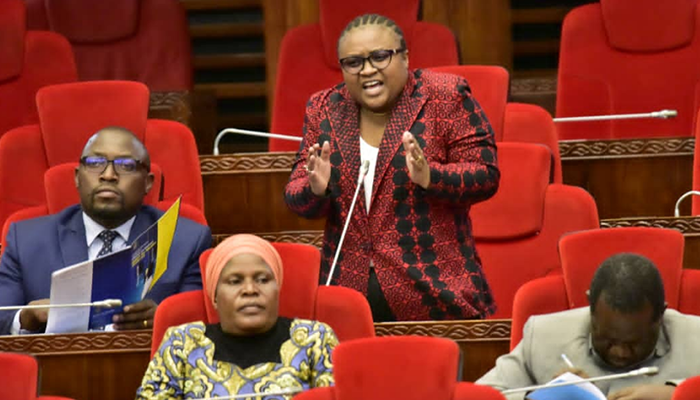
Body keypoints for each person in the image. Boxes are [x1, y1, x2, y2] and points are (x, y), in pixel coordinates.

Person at [284, 14, 500, 322]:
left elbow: (486, 174)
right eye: (353, 62)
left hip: (434, 292)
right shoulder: (324, 107)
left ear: (405, 57)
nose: (367, 70)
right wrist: (315, 189)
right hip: (348, 298)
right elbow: (295, 194)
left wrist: (431, 177)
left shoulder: (445, 95)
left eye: (380, 57)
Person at [0, 126, 212, 335]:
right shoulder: (26, 240)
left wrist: (162, 319)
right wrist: (26, 318)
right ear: (77, 177)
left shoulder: (185, 241)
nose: (108, 175)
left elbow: (200, 324)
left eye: (126, 165)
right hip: (54, 358)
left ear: (147, 183)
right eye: (95, 163)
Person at [136, 234, 338, 399]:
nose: (250, 289)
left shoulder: (315, 339)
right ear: (215, 296)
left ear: (277, 289)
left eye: (262, 280)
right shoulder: (181, 343)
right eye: (235, 281)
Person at [477, 253, 700, 400]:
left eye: (634, 343)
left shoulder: (695, 338)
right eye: (608, 340)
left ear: (661, 315)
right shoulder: (544, 336)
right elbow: (478, 395)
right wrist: (536, 397)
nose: (620, 353)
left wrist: (678, 395)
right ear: (590, 307)